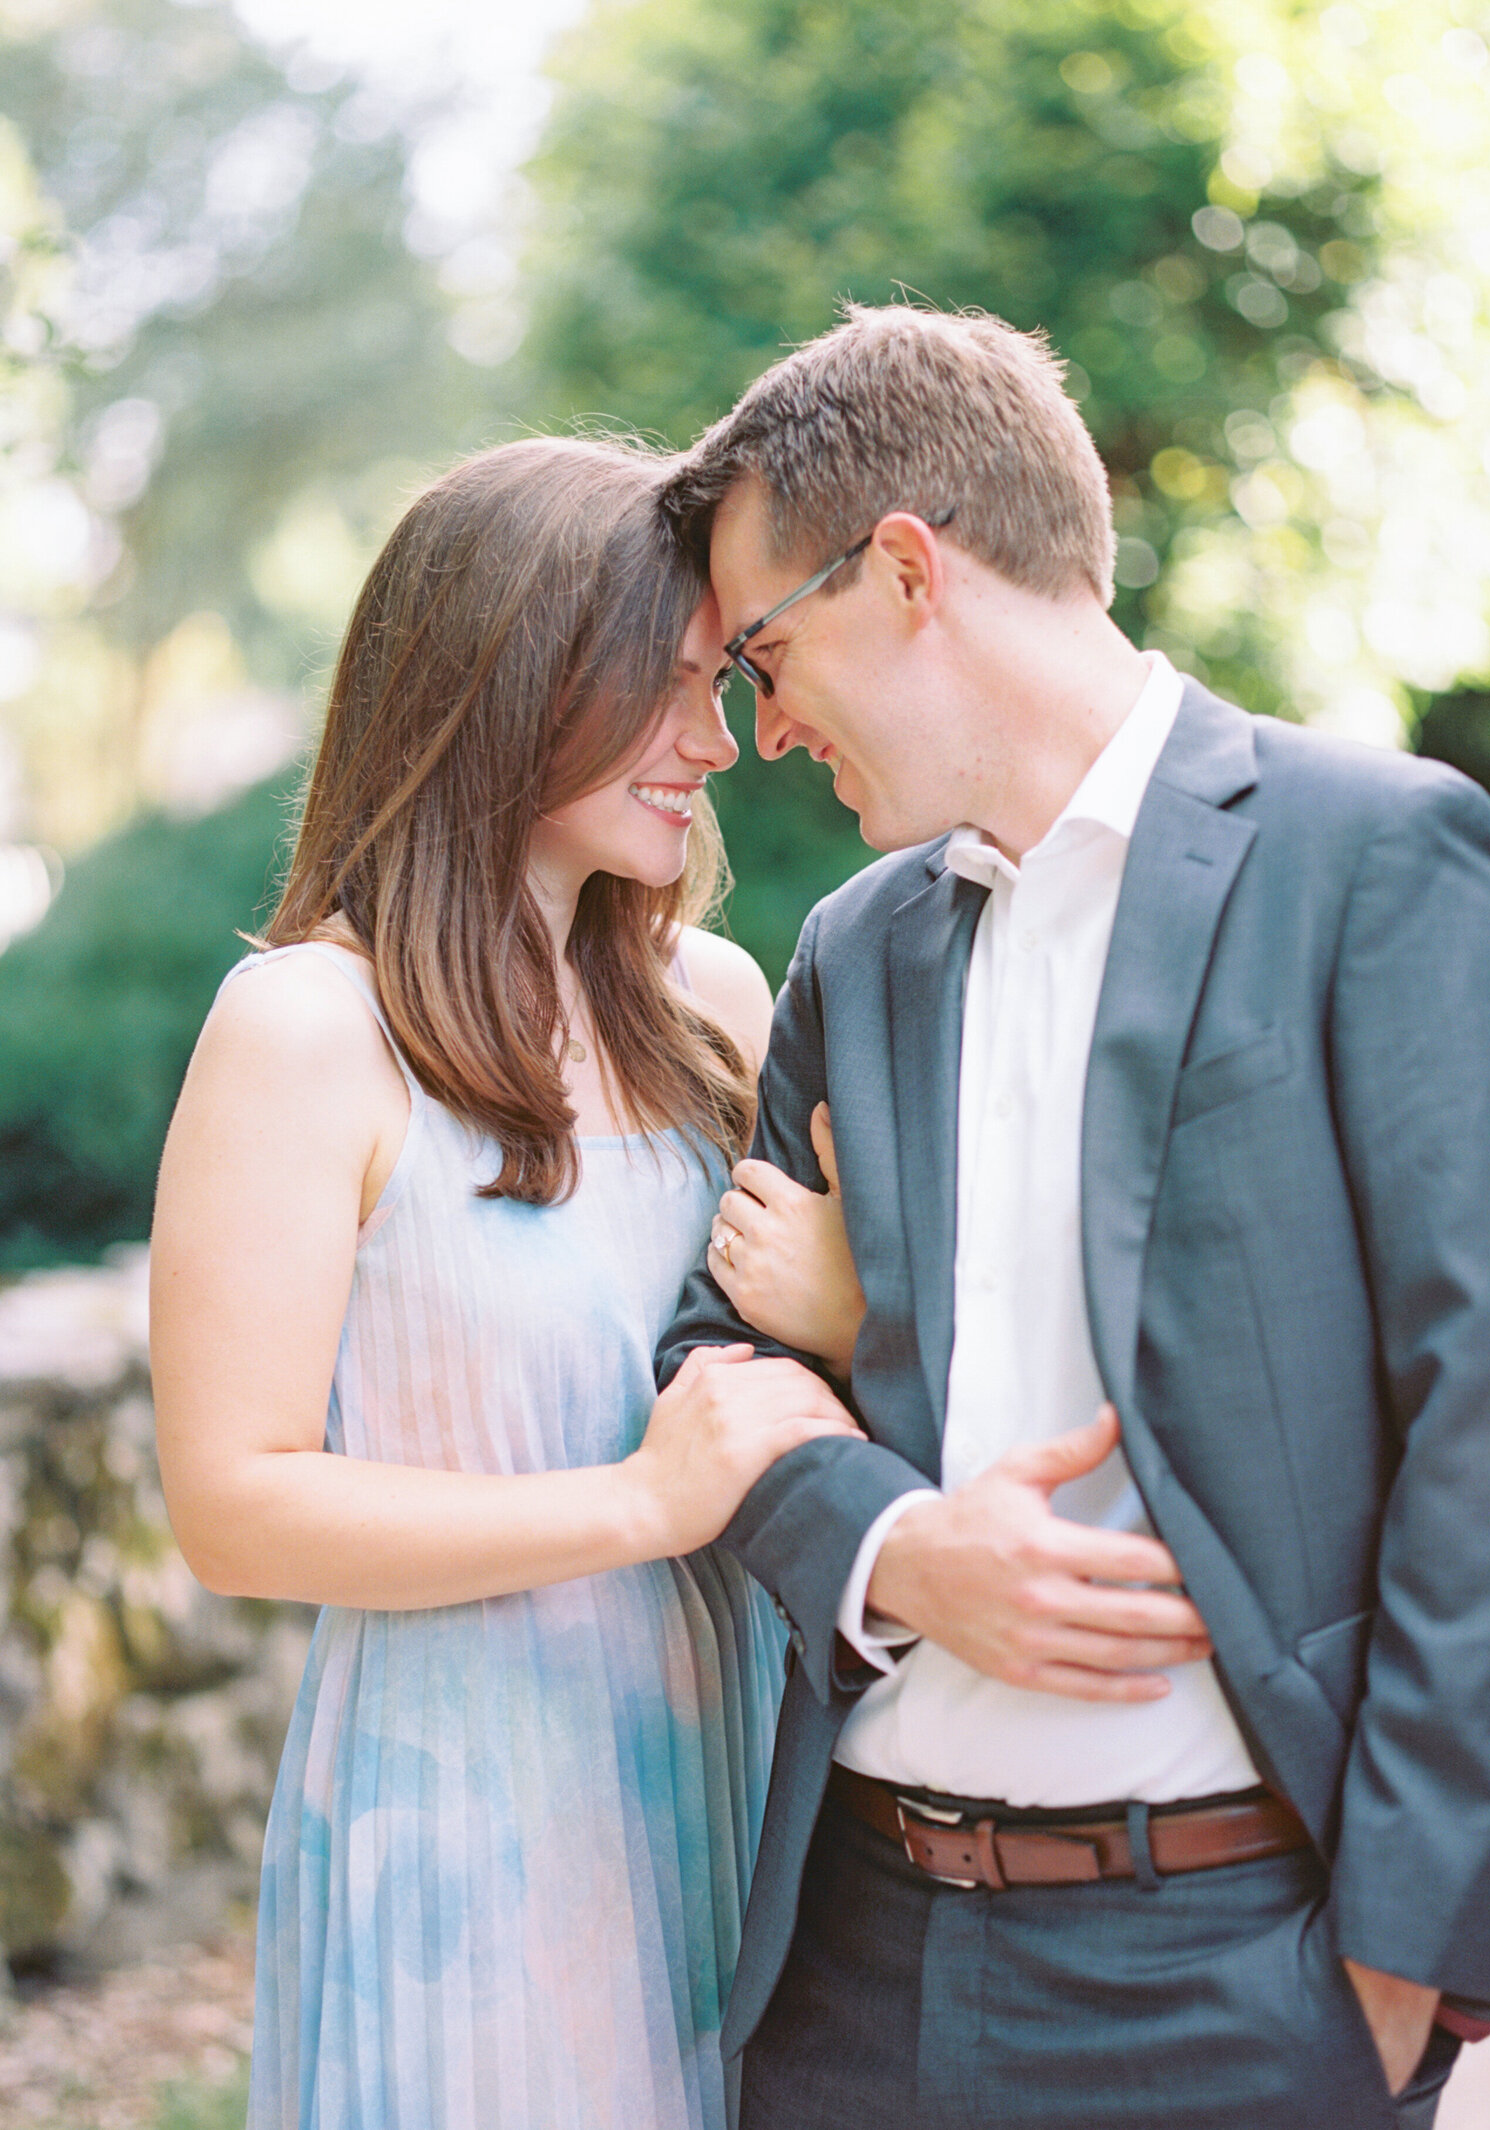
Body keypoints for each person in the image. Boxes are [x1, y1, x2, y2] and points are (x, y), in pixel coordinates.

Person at [655, 306, 1490, 2130]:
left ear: (910, 571)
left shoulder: (1372, 855)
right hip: (859, 1971)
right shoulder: (856, 951)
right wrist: (892, 1546)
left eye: (768, 654)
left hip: (1247, 1978)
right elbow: (715, 1351)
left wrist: (1405, 1951)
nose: (765, 733)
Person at [150, 436, 865, 2130]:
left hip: (733, 1802)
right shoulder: (307, 1030)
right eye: (672, 688)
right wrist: (634, 1500)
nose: (717, 742)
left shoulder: (715, 1000)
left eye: (729, 682)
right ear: (509, 681)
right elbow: (232, 1506)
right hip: (465, 1819)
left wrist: (848, 1316)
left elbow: (809, 1385)